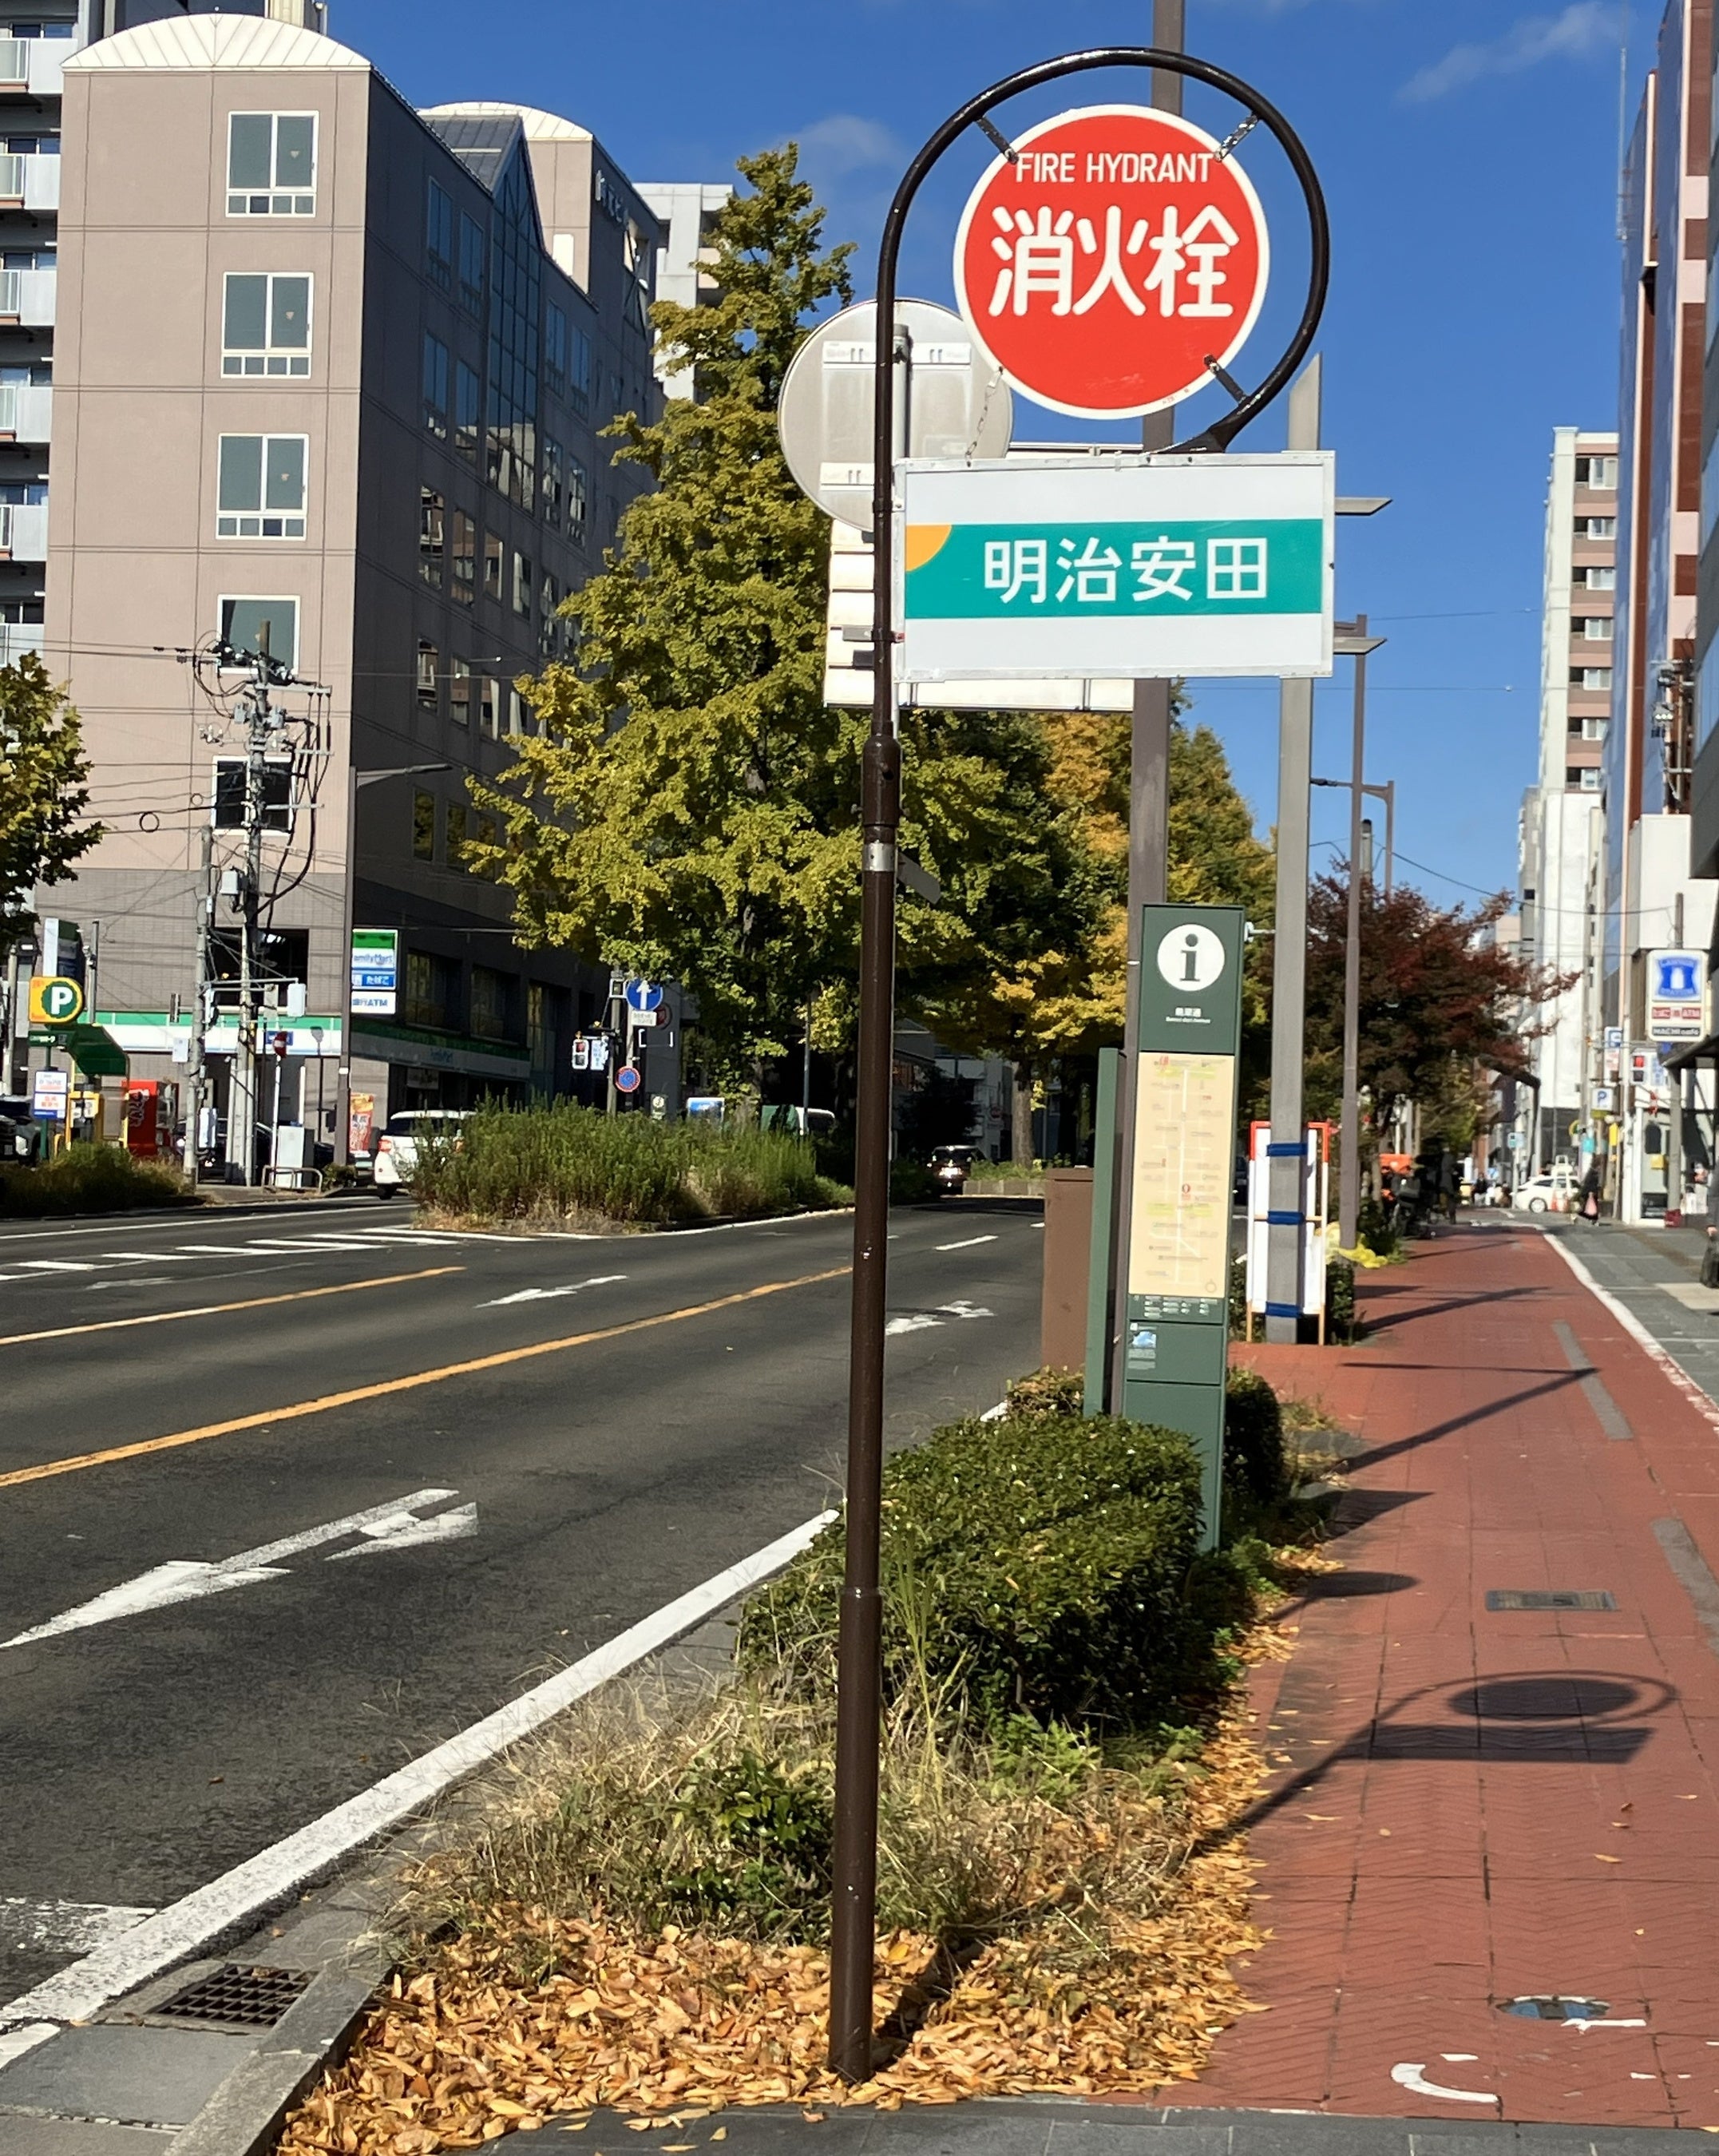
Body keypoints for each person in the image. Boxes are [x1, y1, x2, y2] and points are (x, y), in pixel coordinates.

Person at [1578, 1161, 1602, 1225]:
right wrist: (1592, 1191)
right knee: (1593, 1207)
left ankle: (1593, 1220)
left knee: (1591, 1207)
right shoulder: (1592, 1174)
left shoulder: (1592, 1173)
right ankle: (1593, 1220)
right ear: (1596, 1166)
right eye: (1599, 1167)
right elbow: (1590, 1184)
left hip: (1590, 1192)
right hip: (1590, 1193)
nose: (1600, 1168)